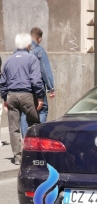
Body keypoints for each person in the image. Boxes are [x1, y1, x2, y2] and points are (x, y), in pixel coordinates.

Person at [0, 33, 44, 165]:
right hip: (27, 95)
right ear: (28, 45)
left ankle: (18, 158)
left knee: (13, 128)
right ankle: (32, 153)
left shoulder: (8, 60)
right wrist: (40, 97)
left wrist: (5, 99)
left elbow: (2, 83)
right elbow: (36, 80)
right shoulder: (32, 59)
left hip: (11, 95)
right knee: (34, 123)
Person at [20, 27, 55, 137]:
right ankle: (38, 138)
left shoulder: (19, 50)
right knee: (43, 110)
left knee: (25, 113)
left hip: (22, 88)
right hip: (37, 87)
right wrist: (51, 88)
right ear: (39, 39)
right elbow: (45, 70)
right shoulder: (39, 50)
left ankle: (26, 140)